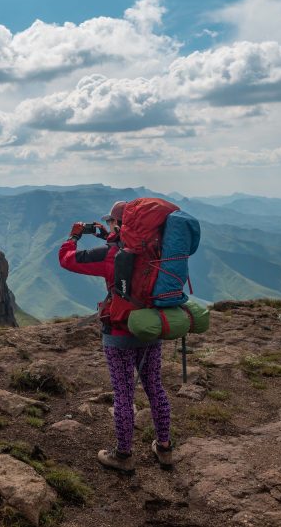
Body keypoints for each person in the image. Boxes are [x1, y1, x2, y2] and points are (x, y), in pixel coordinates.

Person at [58, 201, 173, 473]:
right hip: (150, 328)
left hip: (119, 332)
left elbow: (67, 259)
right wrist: (106, 235)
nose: (109, 225)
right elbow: (129, 251)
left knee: (123, 394)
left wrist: (73, 236)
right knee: (155, 387)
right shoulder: (157, 251)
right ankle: (165, 448)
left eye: (112, 222)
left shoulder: (110, 255)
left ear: (121, 225)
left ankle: (123, 455)